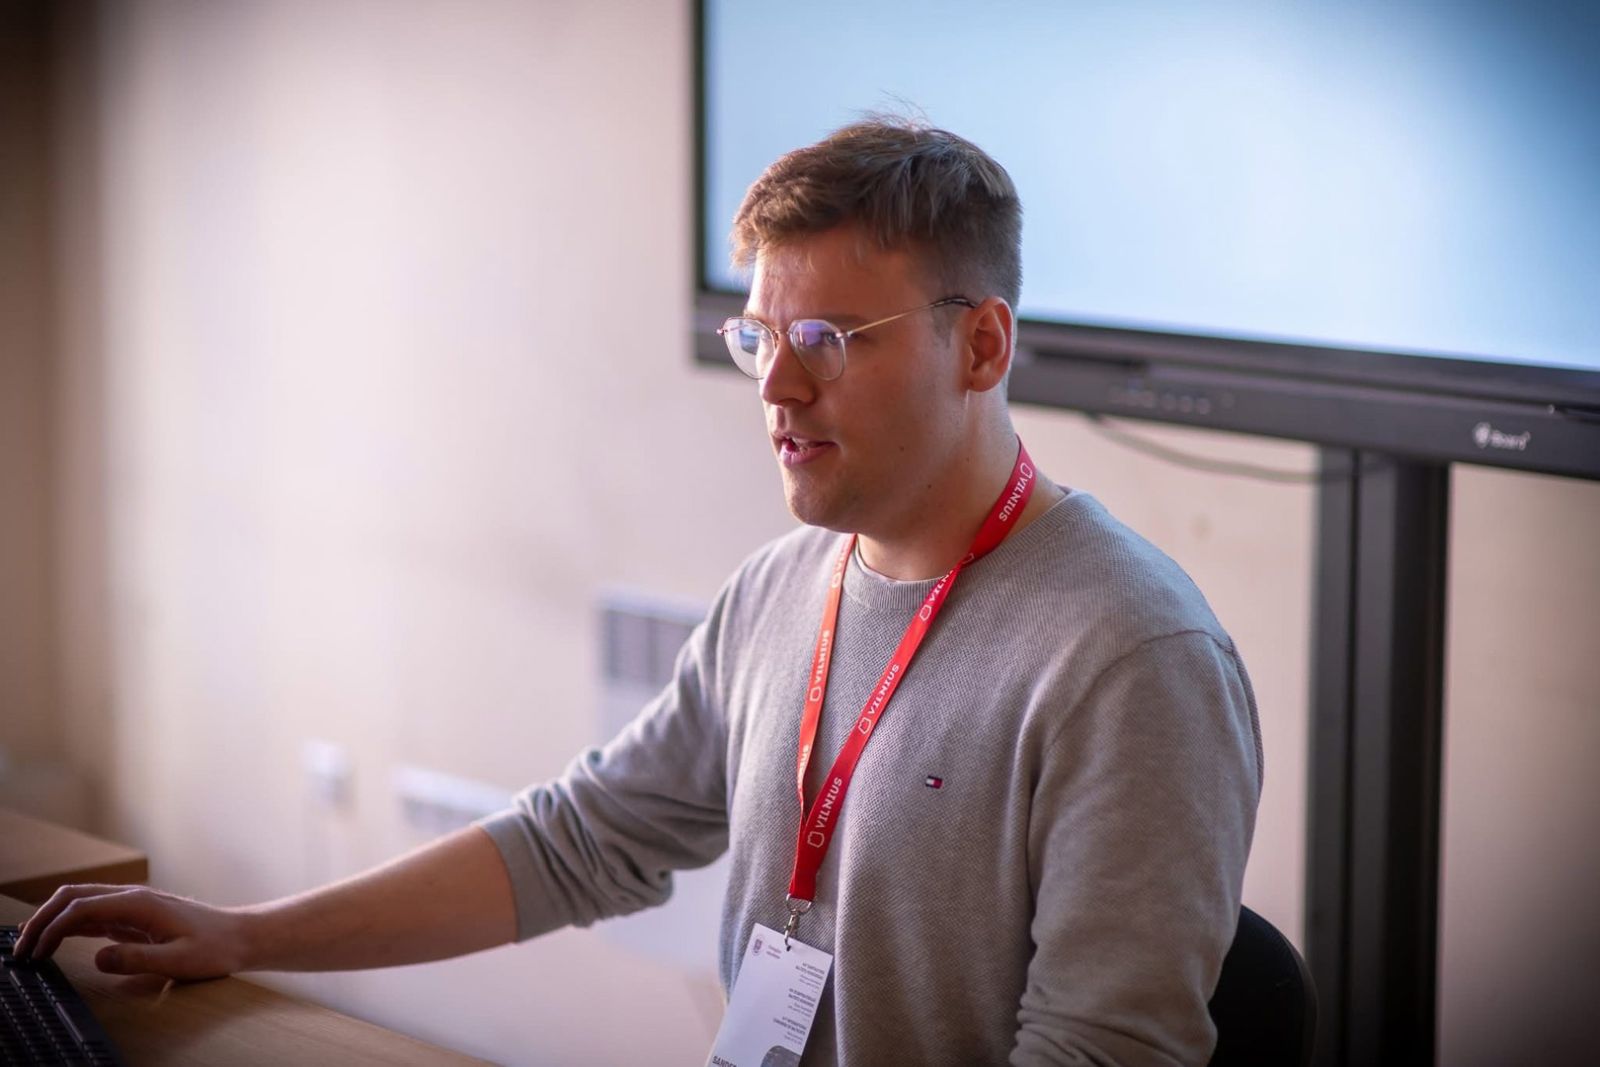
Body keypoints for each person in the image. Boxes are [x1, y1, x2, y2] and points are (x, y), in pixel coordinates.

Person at [17, 119, 1262, 1065]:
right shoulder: (781, 590)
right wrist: (244, 933)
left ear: (980, 344)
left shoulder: (1127, 654)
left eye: (828, 339)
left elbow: (1104, 1050)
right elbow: (578, 838)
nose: (775, 389)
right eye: (756, 338)